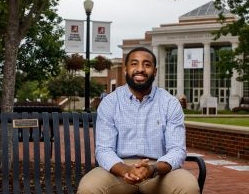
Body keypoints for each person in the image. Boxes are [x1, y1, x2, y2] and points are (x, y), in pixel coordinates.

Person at [77, 47, 200, 194]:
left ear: (154, 71)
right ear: (126, 69)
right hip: (118, 169)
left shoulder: (170, 103)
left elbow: (177, 150)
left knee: (188, 187)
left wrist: (152, 169)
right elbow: (104, 149)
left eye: (147, 64)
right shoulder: (110, 102)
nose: (140, 69)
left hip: (159, 170)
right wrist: (126, 169)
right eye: (134, 64)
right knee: (89, 188)